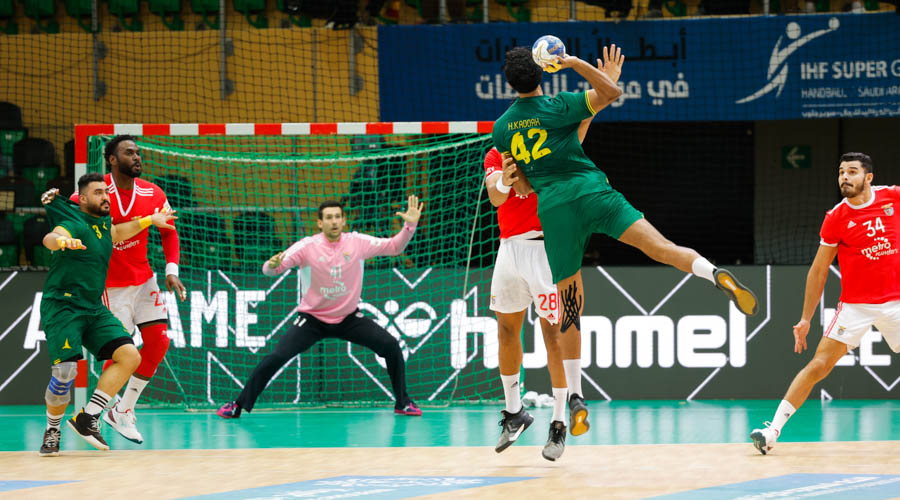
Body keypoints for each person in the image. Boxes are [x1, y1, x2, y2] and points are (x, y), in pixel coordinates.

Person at [491, 44, 758, 364]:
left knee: (569, 303)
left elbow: (521, 184)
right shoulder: (560, 106)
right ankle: (712, 272)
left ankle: (575, 395)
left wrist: (523, 180)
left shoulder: (502, 129)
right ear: (544, 71)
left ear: (509, 83)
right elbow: (607, 97)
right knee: (661, 247)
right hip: (593, 193)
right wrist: (581, 65)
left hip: (556, 210)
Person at [217, 197, 425, 418]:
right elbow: (269, 270)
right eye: (328, 218)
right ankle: (238, 405)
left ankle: (402, 402)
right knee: (277, 356)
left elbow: (394, 247)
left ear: (344, 221)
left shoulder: (357, 242)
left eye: (337, 217)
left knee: (391, 346)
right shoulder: (307, 246)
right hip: (312, 319)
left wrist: (409, 226)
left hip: (348, 318)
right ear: (319, 223)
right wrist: (271, 265)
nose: (333, 222)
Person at [751, 153, 900, 455]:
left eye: (853, 172)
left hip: (897, 302)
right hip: (856, 306)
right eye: (841, 172)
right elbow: (818, 271)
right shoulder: (836, 217)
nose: (845, 177)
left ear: (868, 177)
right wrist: (805, 319)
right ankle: (771, 432)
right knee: (818, 365)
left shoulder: (893, 198)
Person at [38, 177, 176, 456]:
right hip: (63, 307)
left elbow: (119, 232)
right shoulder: (75, 223)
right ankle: (53, 428)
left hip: (93, 307)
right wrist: (62, 241)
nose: (106, 196)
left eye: (106, 192)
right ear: (84, 199)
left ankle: (88, 417)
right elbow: (49, 238)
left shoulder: (103, 225)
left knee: (130, 356)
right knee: (65, 374)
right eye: (98, 193)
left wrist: (151, 219)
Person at [486, 118, 594, 462]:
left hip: (548, 248)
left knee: (554, 334)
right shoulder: (496, 154)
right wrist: (505, 175)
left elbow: (579, 126)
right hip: (510, 248)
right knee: (506, 329)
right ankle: (514, 412)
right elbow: (495, 198)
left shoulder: (554, 146)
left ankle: (559, 421)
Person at [69, 135, 186, 445]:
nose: (137, 157)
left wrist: (171, 271)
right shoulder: (97, 190)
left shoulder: (153, 192)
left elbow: (169, 233)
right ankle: (91, 414)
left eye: (138, 152)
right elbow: (73, 218)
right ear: (111, 158)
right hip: (109, 284)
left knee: (158, 342)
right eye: (129, 152)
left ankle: (122, 410)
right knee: (122, 353)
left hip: (144, 278)